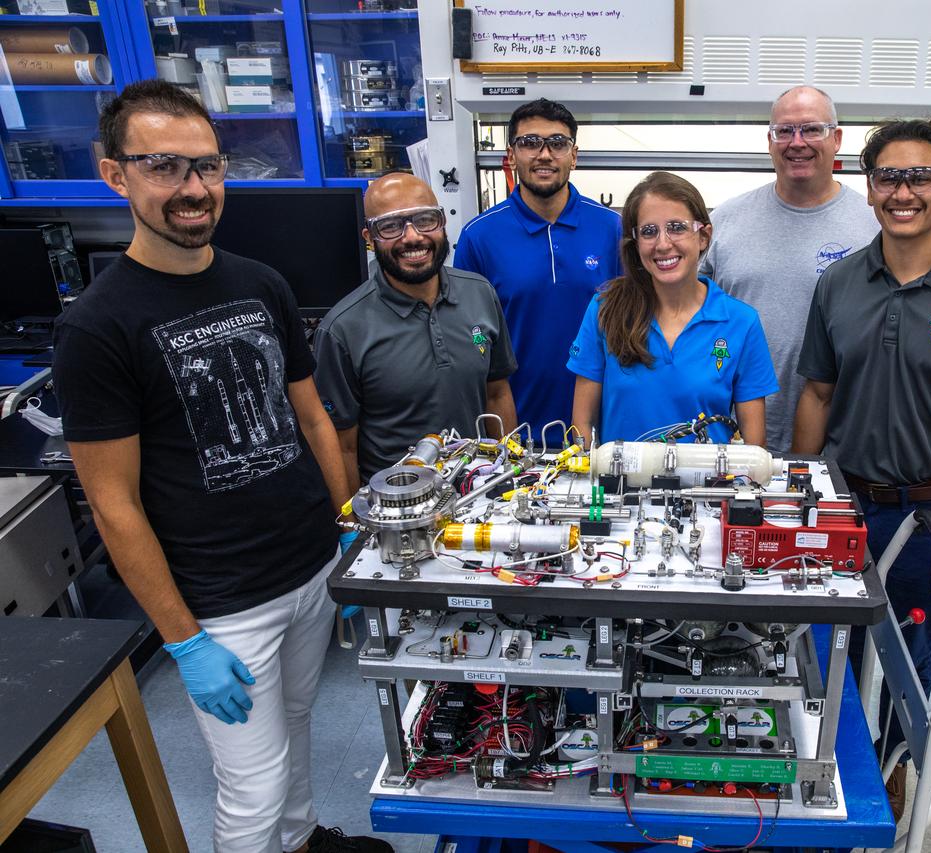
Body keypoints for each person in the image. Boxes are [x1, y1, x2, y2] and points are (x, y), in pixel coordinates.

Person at [51, 80, 392, 853]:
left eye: (207, 167)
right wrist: (183, 641)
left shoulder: (259, 282)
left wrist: (348, 537)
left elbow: (311, 417)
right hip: (221, 603)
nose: (193, 189)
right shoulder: (97, 327)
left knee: (297, 726)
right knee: (252, 783)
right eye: (164, 167)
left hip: (309, 568)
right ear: (117, 175)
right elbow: (112, 504)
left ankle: (302, 841)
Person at [792, 116, 931, 818]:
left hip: (928, 513)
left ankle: (892, 773)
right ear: (869, 189)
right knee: (825, 643)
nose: (903, 191)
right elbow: (817, 391)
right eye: (889, 176)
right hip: (841, 501)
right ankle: (822, 759)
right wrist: (796, 487)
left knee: (906, 651)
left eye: (919, 176)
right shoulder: (839, 284)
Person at [700, 85, 879, 451]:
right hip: (734, 439)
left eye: (812, 129)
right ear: (770, 141)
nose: (797, 142)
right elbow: (689, 318)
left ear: (837, 138)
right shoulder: (726, 221)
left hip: (840, 444)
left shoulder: (873, 225)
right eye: (785, 131)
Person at [313, 173, 517, 492]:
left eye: (425, 219)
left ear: (441, 223)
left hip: (474, 497)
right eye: (391, 226)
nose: (412, 237)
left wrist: (507, 479)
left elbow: (497, 393)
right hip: (394, 512)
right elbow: (343, 445)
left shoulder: (480, 294)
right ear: (370, 237)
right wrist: (351, 525)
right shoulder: (342, 329)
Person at [568, 171, 777, 447]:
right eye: (649, 231)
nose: (663, 244)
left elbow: (754, 448)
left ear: (703, 237)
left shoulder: (741, 322)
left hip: (708, 489)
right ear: (636, 243)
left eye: (677, 227)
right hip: (619, 488)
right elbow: (581, 425)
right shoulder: (605, 309)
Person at [453, 97, 622, 436]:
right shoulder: (479, 236)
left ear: (573, 156)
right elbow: (470, 339)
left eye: (557, 143)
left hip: (604, 429)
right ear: (511, 155)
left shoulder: (612, 229)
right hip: (517, 430)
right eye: (529, 142)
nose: (544, 154)